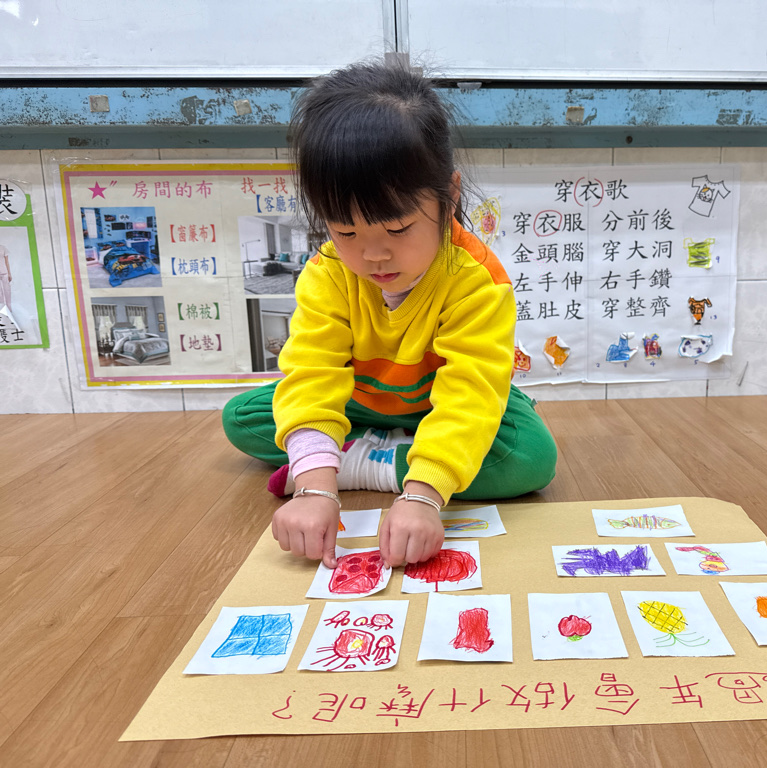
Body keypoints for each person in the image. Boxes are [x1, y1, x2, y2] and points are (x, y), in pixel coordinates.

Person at [222, 61, 557, 570]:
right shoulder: (327, 272)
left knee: (529, 458)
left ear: (450, 196)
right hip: (362, 403)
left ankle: (365, 461)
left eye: (397, 229)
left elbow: (470, 393)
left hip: (442, 405)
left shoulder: (476, 279)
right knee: (243, 418)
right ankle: (364, 458)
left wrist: (423, 497)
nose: (373, 256)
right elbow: (312, 373)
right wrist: (314, 490)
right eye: (346, 232)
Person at [0, 243, 12, 311]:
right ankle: (2, 310)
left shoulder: (3, 248)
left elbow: (7, 262)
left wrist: (9, 273)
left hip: (4, 272)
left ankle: (9, 309)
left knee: (7, 291)